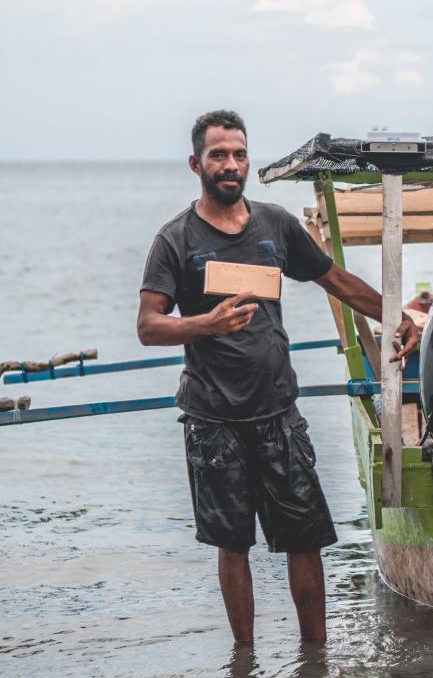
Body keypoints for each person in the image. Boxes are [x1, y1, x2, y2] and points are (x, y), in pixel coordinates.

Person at [137, 110, 416, 643]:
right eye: (219, 154)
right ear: (196, 163)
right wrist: (206, 323)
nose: (231, 164)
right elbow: (149, 326)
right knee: (232, 544)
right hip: (213, 419)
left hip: (278, 413)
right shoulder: (175, 240)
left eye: (239, 154)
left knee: (304, 538)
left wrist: (395, 315)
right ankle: (244, 659)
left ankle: (317, 658)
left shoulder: (275, 225)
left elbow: (334, 278)